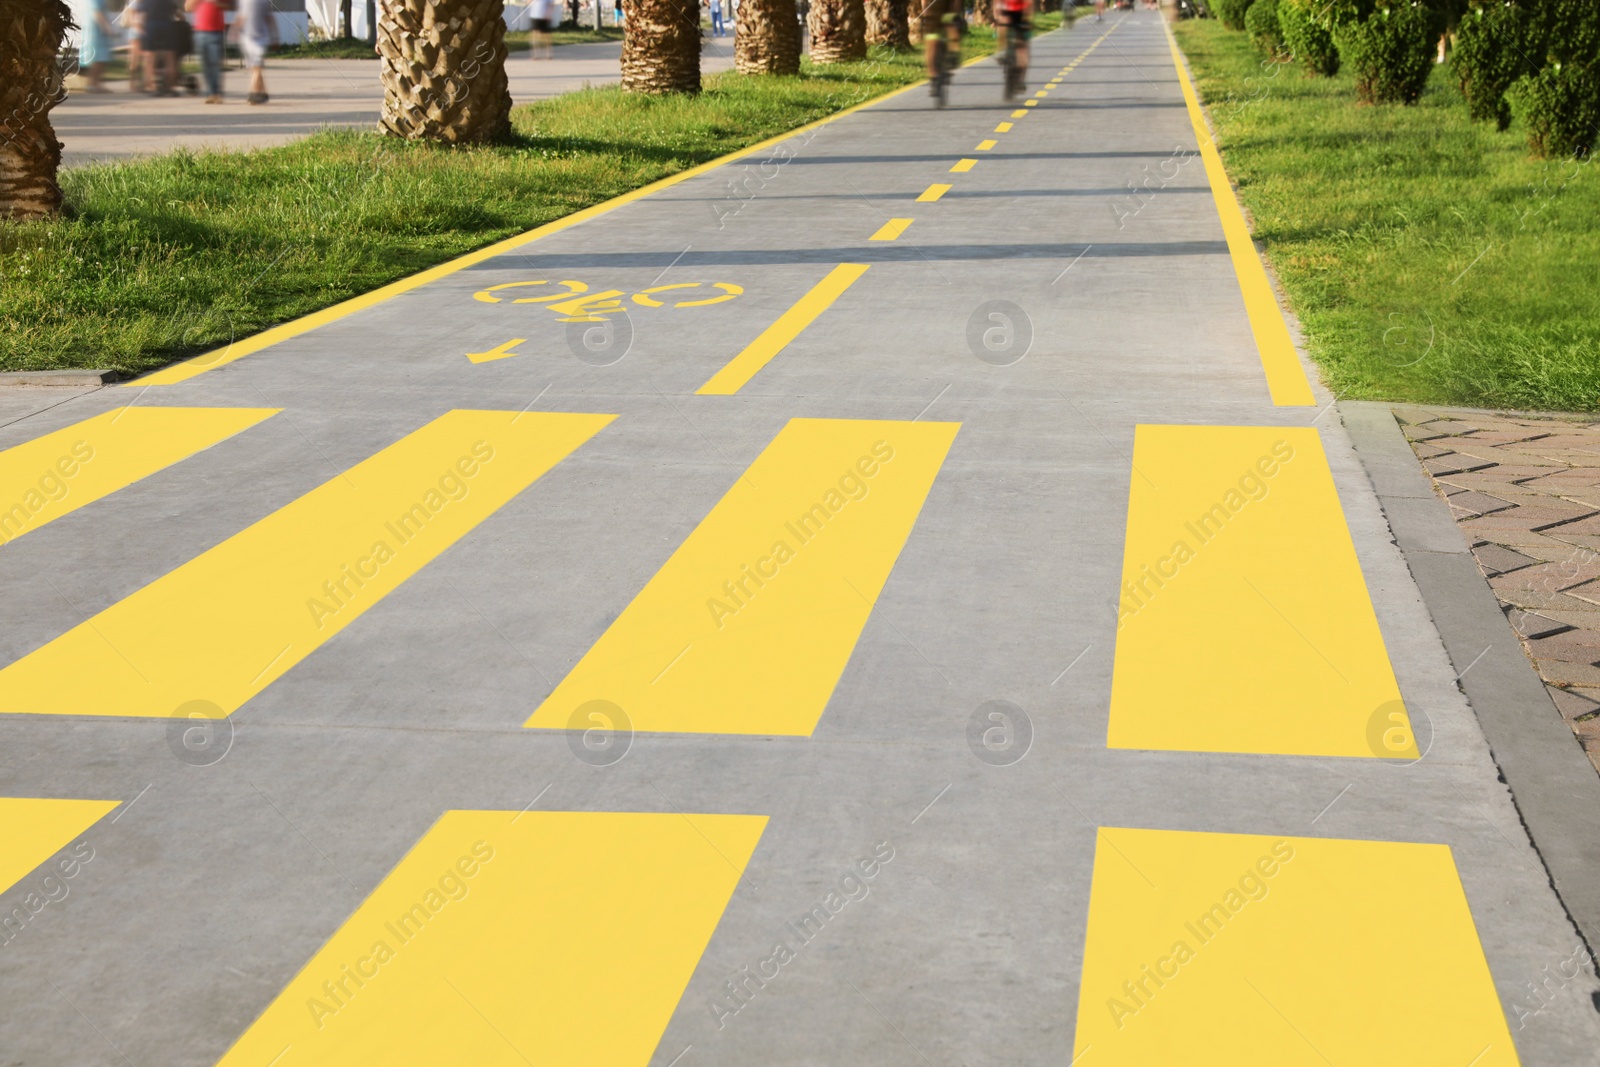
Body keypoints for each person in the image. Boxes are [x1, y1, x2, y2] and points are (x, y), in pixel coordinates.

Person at [234, 0, 277, 104]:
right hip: (248, 38)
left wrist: (275, 36)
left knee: (257, 67)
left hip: (259, 38)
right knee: (255, 68)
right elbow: (241, 17)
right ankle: (262, 93)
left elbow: (269, 18)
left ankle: (253, 93)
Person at [186, 0, 228, 102]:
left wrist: (217, 3)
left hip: (215, 31)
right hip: (200, 32)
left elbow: (230, 6)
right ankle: (210, 93)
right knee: (205, 65)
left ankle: (216, 93)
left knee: (215, 64)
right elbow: (187, 7)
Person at [921, 0, 963, 98]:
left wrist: (925, 11)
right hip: (938, 9)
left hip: (936, 9)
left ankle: (934, 76)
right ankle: (953, 55)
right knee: (949, 28)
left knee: (932, 41)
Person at [140, 0, 178, 95]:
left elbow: (142, 14)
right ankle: (170, 86)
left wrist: (142, 28)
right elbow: (177, 12)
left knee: (150, 58)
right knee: (170, 58)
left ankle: (152, 86)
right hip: (167, 25)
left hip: (151, 25)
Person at [77, 0, 114, 92]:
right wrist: (107, 27)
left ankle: (95, 83)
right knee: (98, 59)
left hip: (98, 32)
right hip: (95, 32)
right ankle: (92, 84)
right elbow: (97, 13)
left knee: (101, 59)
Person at [997, 0, 1029, 96]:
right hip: (1006, 11)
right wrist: (996, 17)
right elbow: (996, 3)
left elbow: (1030, 4)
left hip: (1021, 13)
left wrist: (1026, 19)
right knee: (1001, 26)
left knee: (1022, 48)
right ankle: (1001, 51)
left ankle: (1021, 80)